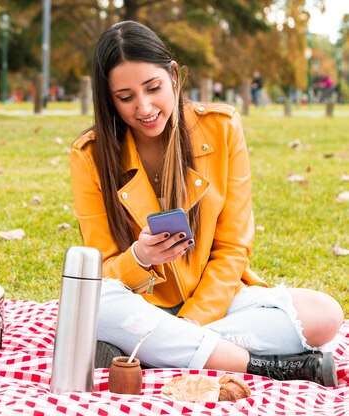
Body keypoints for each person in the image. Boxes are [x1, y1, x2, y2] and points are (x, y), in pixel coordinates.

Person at [69, 21, 344, 386]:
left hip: (215, 304)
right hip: (138, 306)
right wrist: (141, 258)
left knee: (325, 313)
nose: (145, 107)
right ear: (108, 99)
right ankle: (254, 365)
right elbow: (100, 272)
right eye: (126, 97)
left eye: (153, 88)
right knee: (94, 303)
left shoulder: (222, 127)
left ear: (173, 76)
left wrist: (189, 323)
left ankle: (154, 355)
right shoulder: (90, 155)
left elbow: (232, 249)